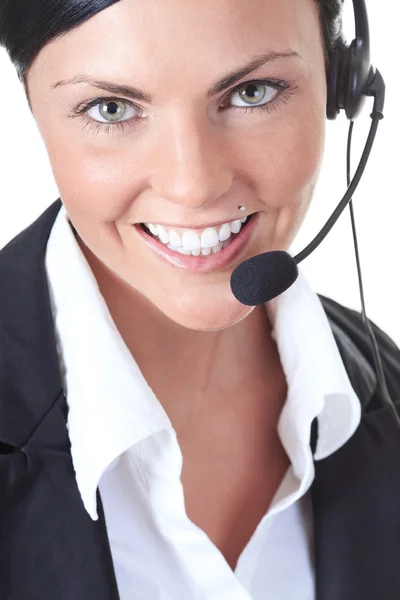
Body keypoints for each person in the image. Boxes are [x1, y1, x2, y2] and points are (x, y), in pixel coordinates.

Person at [0, 0, 399, 599]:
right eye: (112, 108)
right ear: (33, 107)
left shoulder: (386, 395)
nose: (194, 185)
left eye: (253, 92)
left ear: (343, 83)